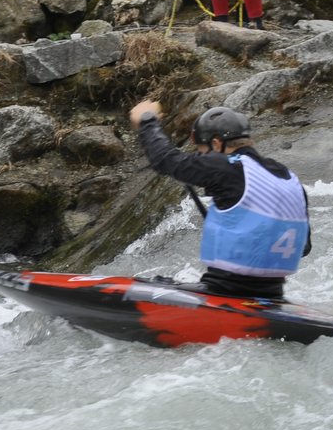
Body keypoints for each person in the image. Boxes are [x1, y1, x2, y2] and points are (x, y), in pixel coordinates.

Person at [128, 99, 311, 300]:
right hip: (273, 297)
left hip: (225, 291)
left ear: (216, 144)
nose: (201, 159)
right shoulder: (287, 177)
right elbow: (303, 247)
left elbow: (165, 160)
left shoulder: (226, 166)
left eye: (202, 153)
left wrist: (147, 120)